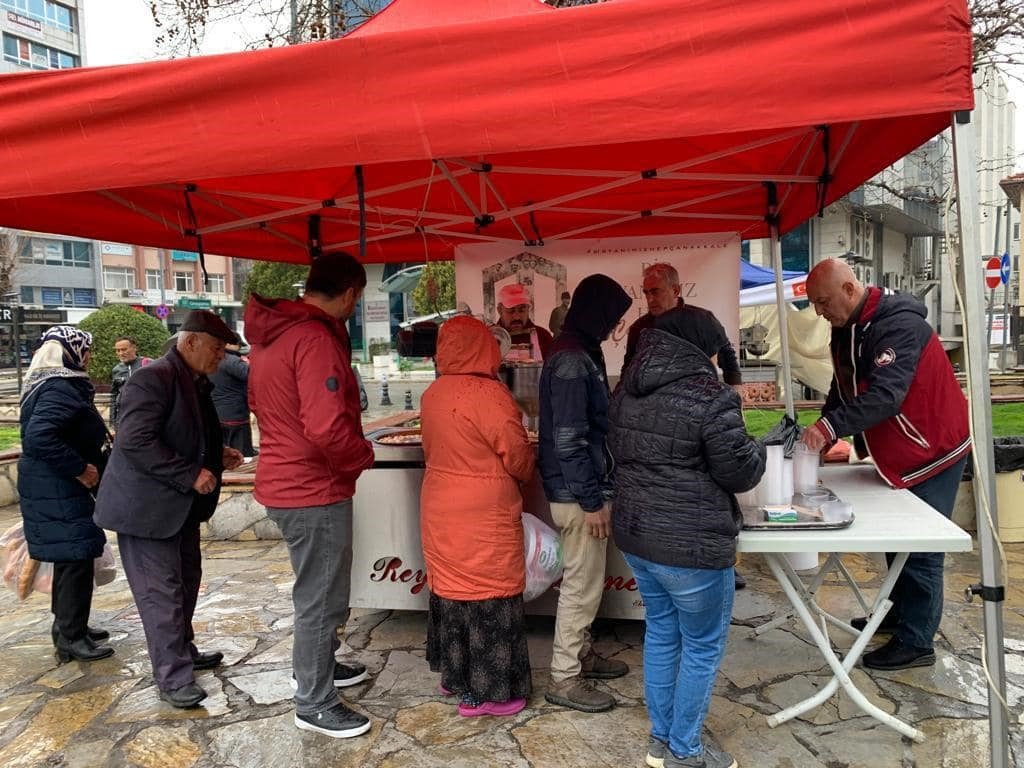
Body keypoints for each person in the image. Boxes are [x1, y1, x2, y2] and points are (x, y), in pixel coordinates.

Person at [610, 307, 766, 768]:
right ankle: (685, 751)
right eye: (717, 352)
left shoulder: (626, 388)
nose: (719, 361)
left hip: (638, 537)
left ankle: (663, 741)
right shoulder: (712, 397)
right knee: (700, 645)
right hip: (691, 544)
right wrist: (757, 448)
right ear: (702, 348)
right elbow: (740, 473)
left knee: (661, 633)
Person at [800, 258, 970, 671]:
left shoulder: (900, 325)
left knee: (921, 546)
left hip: (934, 449)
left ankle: (917, 642)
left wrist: (829, 428)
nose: (820, 312)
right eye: (814, 305)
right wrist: (829, 427)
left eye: (823, 302)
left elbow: (885, 396)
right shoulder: (845, 329)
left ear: (849, 289)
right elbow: (842, 388)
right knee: (898, 540)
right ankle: (897, 615)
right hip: (900, 453)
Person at [245, 252, 376, 739]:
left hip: (285, 479)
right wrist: (360, 456)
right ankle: (314, 701)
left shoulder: (272, 336)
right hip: (312, 488)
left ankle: (317, 668)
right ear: (350, 294)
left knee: (318, 591)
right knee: (321, 598)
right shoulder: (316, 338)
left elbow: (260, 405)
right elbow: (325, 427)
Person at [94, 311, 244, 708]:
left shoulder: (194, 380)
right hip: (146, 512)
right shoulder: (152, 378)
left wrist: (217, 454)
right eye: (216, 349)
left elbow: (186, 433)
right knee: (160, 594)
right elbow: (135, 441)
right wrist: (189, 473)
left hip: (178, 509)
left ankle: (184, 652)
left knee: (186, 583)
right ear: (190, 342)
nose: (220, 358)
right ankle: (173, 676)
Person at [420, 315, 536, 717]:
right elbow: (518, 456)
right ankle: (488, 693)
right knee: (490, 592)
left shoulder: (432, 392)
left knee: (451, 591)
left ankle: (455, 677)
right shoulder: (490, 394)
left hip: (439, 503)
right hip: (483, 511)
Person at [622, 262, 749, 591]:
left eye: (656, 291)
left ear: (676, 290)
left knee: (711, 484)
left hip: (699, 411)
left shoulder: (701, 319)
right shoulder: (639, 330)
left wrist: (734, 391)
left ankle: (725, 564)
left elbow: (727, 353)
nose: (650, 298)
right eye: (646, 292)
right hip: (655, 421)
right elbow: (628, 373)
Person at [538, 273, 632, 713]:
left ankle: (580, 655)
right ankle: (565, 678)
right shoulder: (573, 360)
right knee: (582, 585)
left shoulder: (580, 350)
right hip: (578, 495)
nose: (615, 328)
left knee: (588, 583)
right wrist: (592, 500)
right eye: (613, 318)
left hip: (581, 489)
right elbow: (570, 439)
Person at [18, 326, 115, 664]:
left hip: (52, 485)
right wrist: (80, 468)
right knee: (75, 555)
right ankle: (72, 637)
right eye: (84, 351)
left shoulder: (52, 384)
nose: (88, 358)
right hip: (57, 484)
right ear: (70, 353)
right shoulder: (60, 387)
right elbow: (39, 438)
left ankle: (69, 627)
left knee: (71, 556)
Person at [209, 342, 254, 456]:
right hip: (236, 416)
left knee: (223, 454)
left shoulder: (211, 360)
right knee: (242, 456)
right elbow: (253, 377)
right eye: (237, 344)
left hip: (217, 415)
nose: (239, 347)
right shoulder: (233, 361)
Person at [495, 283, 554, 360]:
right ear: (499, 310)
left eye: (522, 310)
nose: (517, 317)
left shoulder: (543, 336)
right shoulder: (489, 339)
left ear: (528, 309)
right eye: (510, 311)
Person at [109, 336, 150, 427]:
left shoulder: (148, 364)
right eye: (117, 350)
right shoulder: (116, 370)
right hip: (123, 418)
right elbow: (114, 395)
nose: (121, 353)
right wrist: (112, 423)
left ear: (134, 348)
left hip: (144, 417)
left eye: (124, 349)